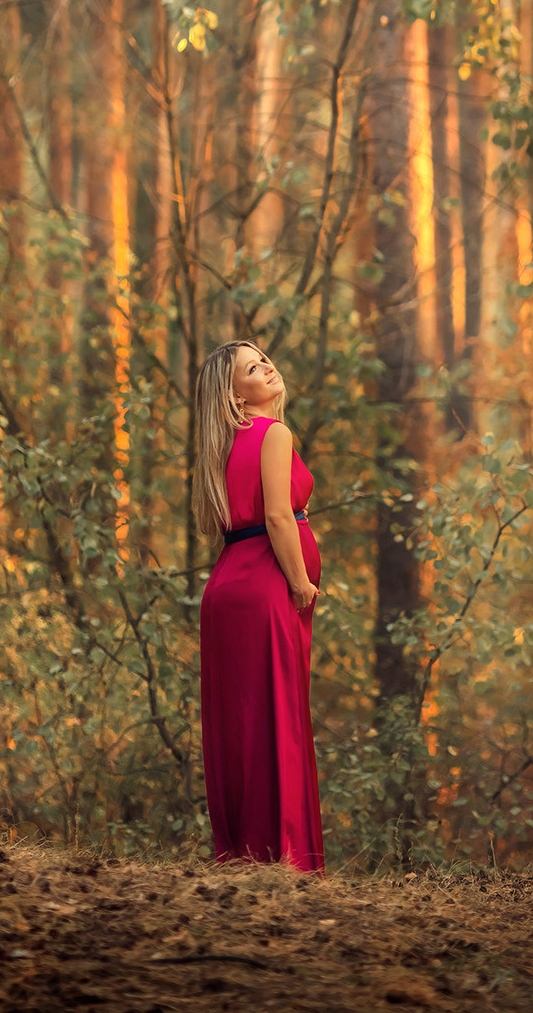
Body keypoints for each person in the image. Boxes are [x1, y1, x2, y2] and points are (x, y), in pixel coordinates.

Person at [194, 340, 324, 873]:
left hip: (228, 588)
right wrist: (299, 583)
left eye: (264, 357)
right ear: (233, 395)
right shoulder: (273, 433)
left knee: (243, 725)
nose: (268, 366)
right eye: (253, 367)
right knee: (277, 719)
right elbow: (277, 518)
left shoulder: (224, 446)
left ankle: (245, 854)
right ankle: (284, 857)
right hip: (266, 587)